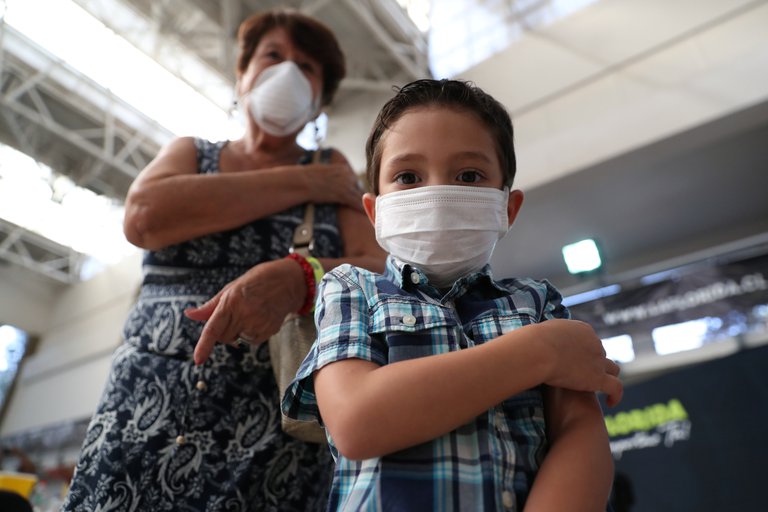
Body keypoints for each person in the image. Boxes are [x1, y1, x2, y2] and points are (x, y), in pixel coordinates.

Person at [63, 8, 385, 511]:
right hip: (142, 412)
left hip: (271, 433)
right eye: (272, 55)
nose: (287, 71)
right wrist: (303, 182)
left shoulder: (334, 169)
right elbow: (143, 217)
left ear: (319, 101)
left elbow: (379, 268)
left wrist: (302, 276)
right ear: (242, 77)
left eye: (306, 67)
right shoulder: (193, 154)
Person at [282, 78, 623, 511]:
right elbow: (356, 421)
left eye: (468, 176)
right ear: (375, 211)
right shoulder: (351, 289)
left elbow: (581, 438)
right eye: (408, 177)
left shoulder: (537, 303)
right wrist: (539, 353)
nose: (437, 195)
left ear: (508, 208)